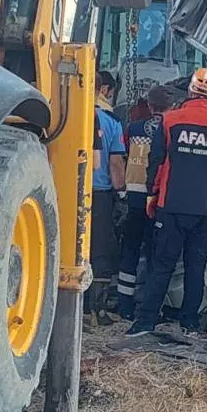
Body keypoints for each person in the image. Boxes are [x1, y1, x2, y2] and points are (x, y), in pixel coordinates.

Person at [128, 69, 207, 335]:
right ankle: (189, 322)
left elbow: (155, 162)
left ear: (190, 91)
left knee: (162, 265)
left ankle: (145, 321)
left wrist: (152, 195)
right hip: (206, 208)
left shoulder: (170, 121)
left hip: (171, 205)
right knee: (196, 267)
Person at [117, 85, 174, 319]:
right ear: (170, 107)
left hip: (134, 196)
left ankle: (124, 304)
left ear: (149, 106)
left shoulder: (133, 128)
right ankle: (150, 306)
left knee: (129, 250)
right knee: (154, 253)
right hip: (158, 198)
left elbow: (124, 154)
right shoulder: (172, 130)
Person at [90, 70, 126, 321]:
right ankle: (97, 308)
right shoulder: (111, 123)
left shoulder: (63, 115)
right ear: (104, 90)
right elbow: (115, 164)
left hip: (66, 191)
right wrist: (122, 191)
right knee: (100, 249)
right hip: (100, 194)